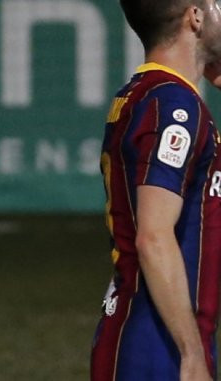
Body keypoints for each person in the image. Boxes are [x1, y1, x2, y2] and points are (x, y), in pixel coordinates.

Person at [91, 1, 221, 380]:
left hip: (154, 333)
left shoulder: (152, 94)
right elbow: (153, 235)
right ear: (195, 16)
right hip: (157, 344)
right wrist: (192, 352)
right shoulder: (174, 106)